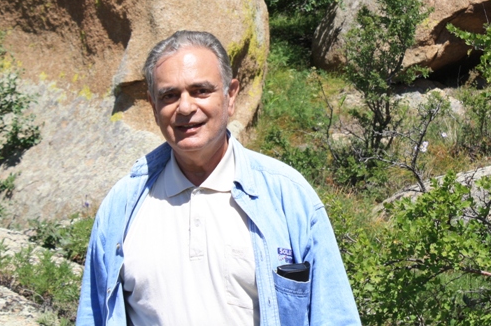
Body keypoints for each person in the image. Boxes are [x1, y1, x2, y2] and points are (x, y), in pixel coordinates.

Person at [76, 30, 360, 326]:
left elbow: (335, 317)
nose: (185, 107)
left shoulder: (289, 198)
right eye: (169, 95)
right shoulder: (121, 209)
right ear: (153, 106)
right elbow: (93, 317)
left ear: (231, 95)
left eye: (201, 91)